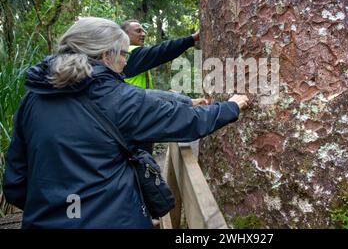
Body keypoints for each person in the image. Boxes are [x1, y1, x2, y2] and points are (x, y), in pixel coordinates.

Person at [2, 17, 249, 228]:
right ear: (105, 54)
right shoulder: (119, 97)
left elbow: (15, 183)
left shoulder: (33, 98)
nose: (126, 61)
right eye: (123, 53)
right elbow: (186, 122)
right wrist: (231, 107)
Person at [120, 19, 208, 155]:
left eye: (143, 30)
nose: (143, 33)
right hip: (133, 118)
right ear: (124, 35)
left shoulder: (127, 56)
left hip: (139, 117)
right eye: (138, 31)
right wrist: (191, 39)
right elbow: (161, 52)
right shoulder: (129, 54)